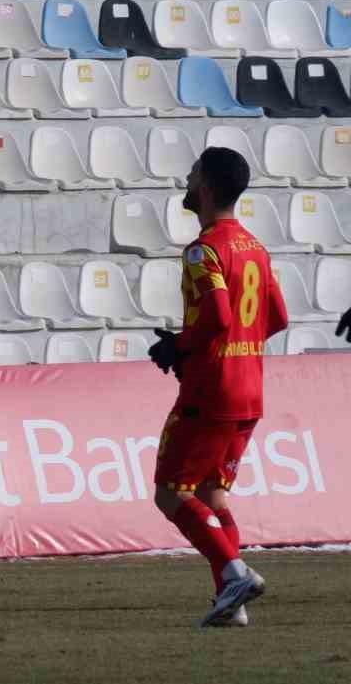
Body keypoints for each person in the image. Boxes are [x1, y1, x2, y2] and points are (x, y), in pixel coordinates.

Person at [147, 146, 286, 628]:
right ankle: (232, 601)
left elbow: (220, 315)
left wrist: (184, 348)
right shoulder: (255, 247)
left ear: (205, 186)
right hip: (250, 390)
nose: (186, 181)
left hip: (213, 391)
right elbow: (277, 318)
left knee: (171, 493)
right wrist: (230, 349)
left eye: (192, 174)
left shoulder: (203, 250)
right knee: (212, 494)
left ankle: (234, 574)